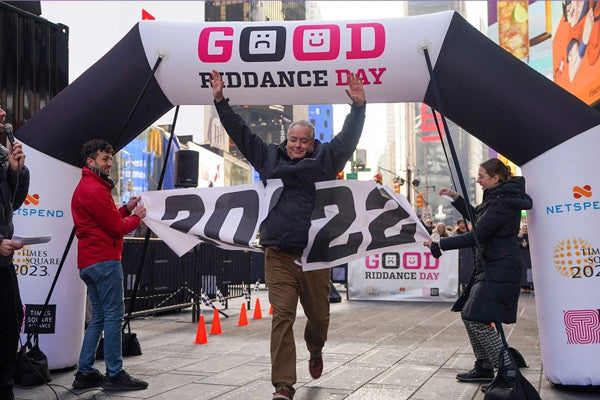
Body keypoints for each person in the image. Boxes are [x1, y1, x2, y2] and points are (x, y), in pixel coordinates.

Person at [209, 70, 366, 400]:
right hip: (277, 253)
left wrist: (358, 108)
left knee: (319, 319)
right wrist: (221, 101)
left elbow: (346, 141)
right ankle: (283, 385)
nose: (297, 145)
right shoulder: (268, 157)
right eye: (293, 140)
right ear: (286, 140)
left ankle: (316, 348)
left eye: (304, 141)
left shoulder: (324, 161)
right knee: (281, 318)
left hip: (315, 256)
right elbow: (241, 133)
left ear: (312, 144)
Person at [423, 158, 532, 383]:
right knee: (469, 314)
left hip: (500, 267)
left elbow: (477, 234)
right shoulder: (497, 199)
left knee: (477, 319)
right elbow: (477, 216)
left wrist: (440, 244)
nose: (479, 181)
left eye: (482, 176)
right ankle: (484, 366)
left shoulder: (501, 203)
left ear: (496, 178)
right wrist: (457, 199)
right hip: (491, 265)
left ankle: (508, 372)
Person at [71, 139, 148, 392]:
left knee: (99, 318)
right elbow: (116, 227)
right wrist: (137, 217)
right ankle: (114, 374)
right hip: (104, 261)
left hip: (89, 262)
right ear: (90, 161)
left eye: (111, 158)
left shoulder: (89, 187)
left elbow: (109, 216)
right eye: (105, 159)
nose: (110, 163)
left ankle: (85, 372)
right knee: (114, 316)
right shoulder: (94, 189)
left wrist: (126, 208)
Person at [0, 106, 29, 400]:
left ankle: (5, 384)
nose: (3, 113)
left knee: (11, 318)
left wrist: (16, 170)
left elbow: (15, 202)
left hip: (4, 260)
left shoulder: (1, 154)